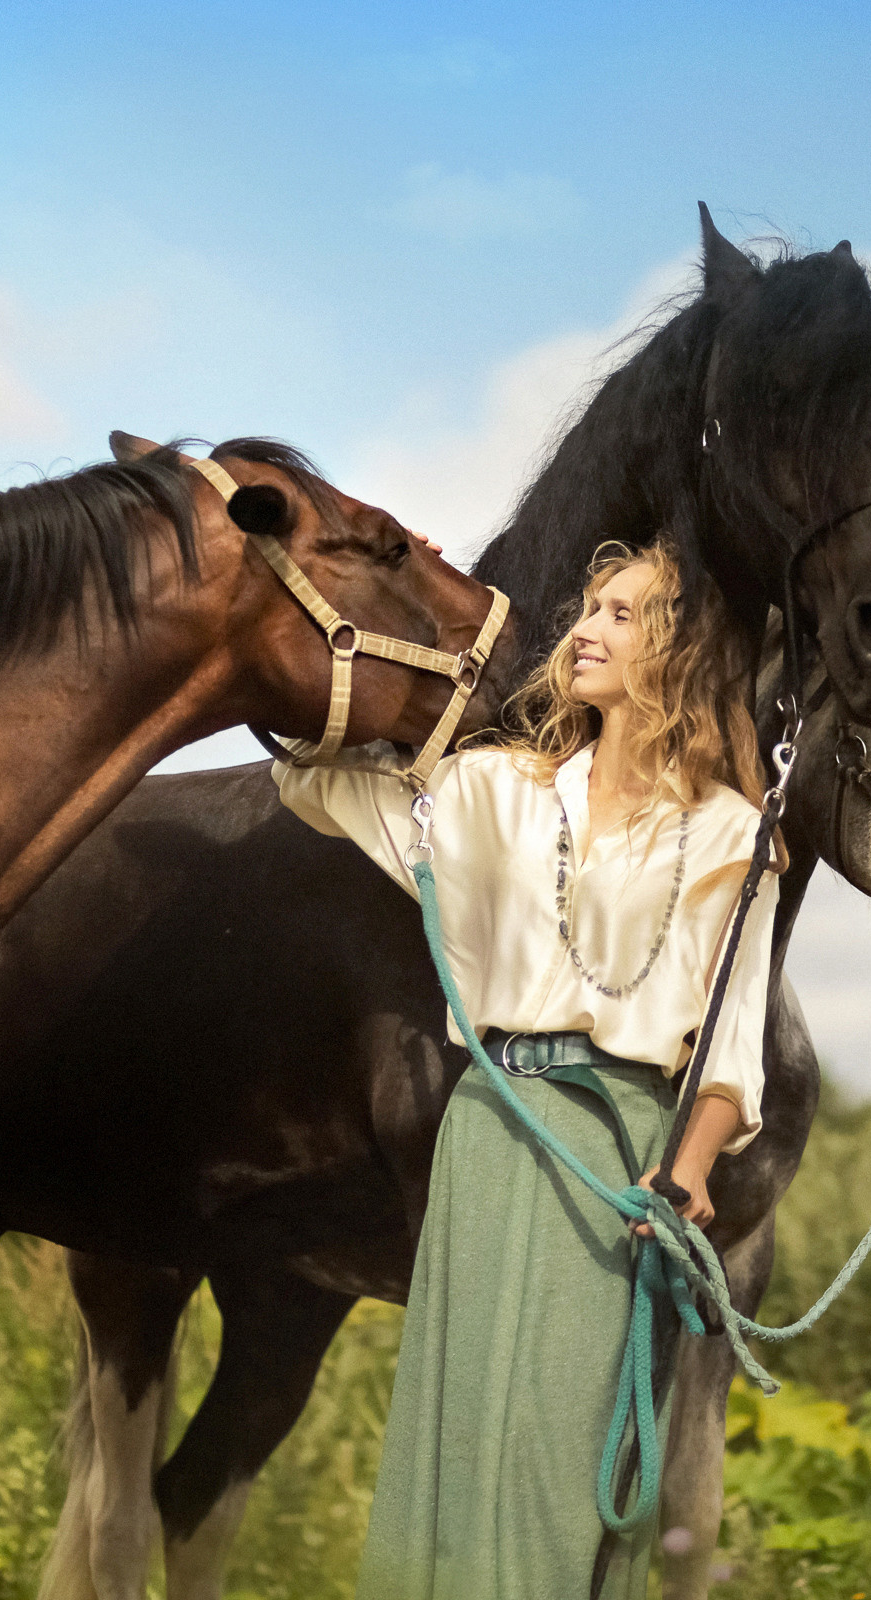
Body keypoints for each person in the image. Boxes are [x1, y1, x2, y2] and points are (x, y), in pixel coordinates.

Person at [273, 539, 781, 1599]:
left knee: (562, 1451)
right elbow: (319, 779)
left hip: (622, 1159)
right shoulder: (492, 793)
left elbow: (728, 1046)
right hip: (494, 1130)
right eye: (589, 607)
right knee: (461, 1445)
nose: (585, 630)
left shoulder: (735, 834)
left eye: (624, 615)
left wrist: (684, 1174)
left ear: (680, 653)